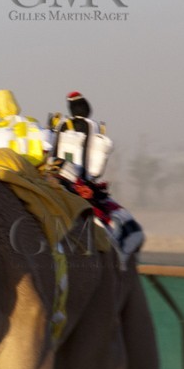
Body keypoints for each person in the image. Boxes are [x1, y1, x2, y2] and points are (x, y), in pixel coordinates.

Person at [47, 91, 143, 255]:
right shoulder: (93, 126)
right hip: (78, 182)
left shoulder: (60, 125)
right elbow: (95, 170)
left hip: (53, 176)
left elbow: (51, 153)